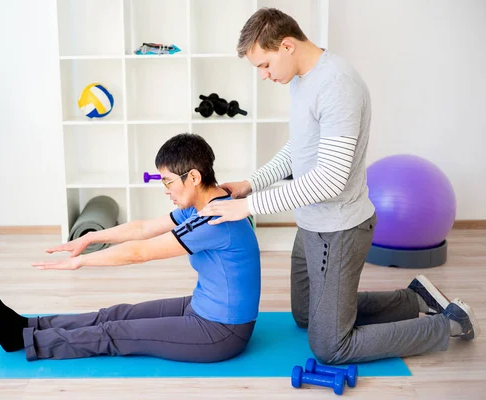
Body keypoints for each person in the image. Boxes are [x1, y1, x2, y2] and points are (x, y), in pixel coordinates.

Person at [199, 8, 479, 364]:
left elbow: (330, 180)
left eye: (264, 65)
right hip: (311, 223)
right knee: (305, 316)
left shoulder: (336, 85)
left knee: (330, 346)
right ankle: (415, 299)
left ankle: (449, 324)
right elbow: (298, 147)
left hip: (339, 229)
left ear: (286, 45)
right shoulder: (302, 80)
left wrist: (248, 207)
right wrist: (250, 184)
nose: (264, 76)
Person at [0, 133, 261, 363]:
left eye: (168, 181)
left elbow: (140, 252)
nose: (165, 190)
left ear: (194, 177)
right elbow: (141, 228)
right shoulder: (208, 203)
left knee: (115, 333)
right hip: (200, 307)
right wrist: (87, 239)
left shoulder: (216, 219)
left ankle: (24, 341)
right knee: (115, 314)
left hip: (221, 331)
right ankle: (27, 325)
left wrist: (81, 262)